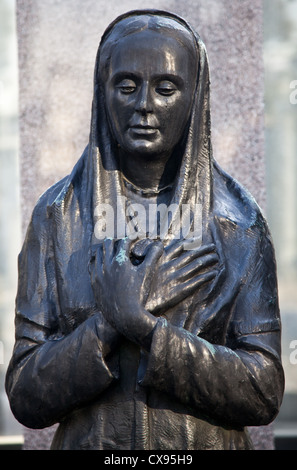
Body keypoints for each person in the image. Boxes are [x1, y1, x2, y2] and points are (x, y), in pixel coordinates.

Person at [6, 10, 284, 450]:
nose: (145, 105)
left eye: (166, 88)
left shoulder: (237, 224)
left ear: (194, 97)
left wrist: (147, 329)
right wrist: (106, 328)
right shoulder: (58, 217)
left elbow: (264, 391)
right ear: (104, 92)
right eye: (127, 86)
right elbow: (25, 393)